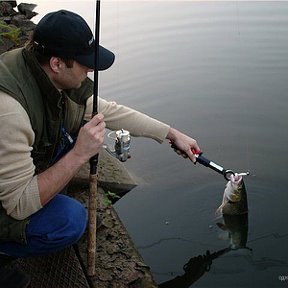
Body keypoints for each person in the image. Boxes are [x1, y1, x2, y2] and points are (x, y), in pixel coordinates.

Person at [0, 9, 200, 282]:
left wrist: (170, 133)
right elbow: (19, 204)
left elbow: (106, 111)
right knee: (69, 221)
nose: (91, 69)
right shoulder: (10, 112)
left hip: (11, 169)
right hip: (9, 200)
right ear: (57, 63)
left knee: (72, 132)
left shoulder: (40, 67)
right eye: (84, 63)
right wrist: (80, 154)